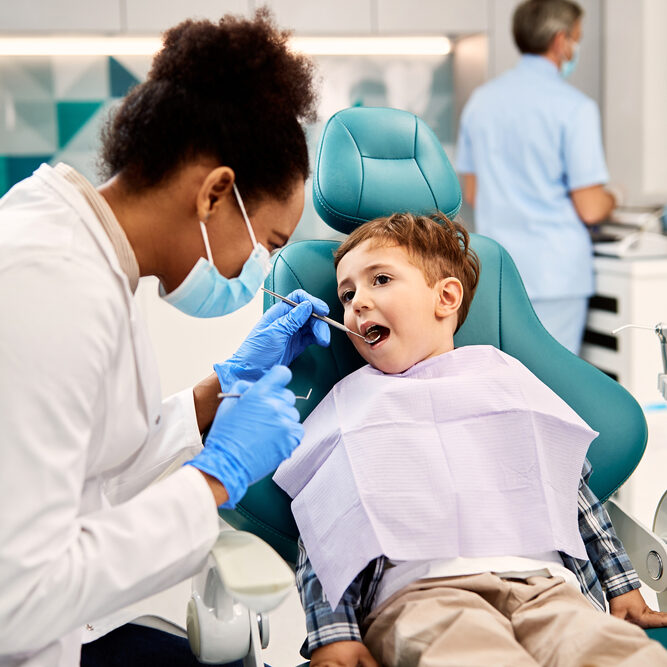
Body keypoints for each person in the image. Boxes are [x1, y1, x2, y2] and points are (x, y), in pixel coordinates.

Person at [0, 10, 330, 667]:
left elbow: (87, 467)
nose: (256, 269)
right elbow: (16, 597)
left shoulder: (88, 256)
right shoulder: (50, 284)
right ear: (214, 192)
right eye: (268, 243)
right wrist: (214, 479)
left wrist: (215, 392)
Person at [273, 212, 667, 666]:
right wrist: (334, 636)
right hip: (423, 596)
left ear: (446, 297)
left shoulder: (502, 379)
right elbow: (326, 527)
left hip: (544, 587)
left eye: (380, 279)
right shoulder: (353, 405)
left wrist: (623, 588)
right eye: (346, 293)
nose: (357, 302)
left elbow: (570, 493)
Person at [456, 0, 621, 355]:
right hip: (555, 274)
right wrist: (615, 197)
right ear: (561, 41)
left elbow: (472, 192)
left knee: (506, 379)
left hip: (496, 271)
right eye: (576, 38)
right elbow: (591, 208)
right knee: (552, 386)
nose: (575, 47)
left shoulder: (481, 102)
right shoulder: (574, 107)